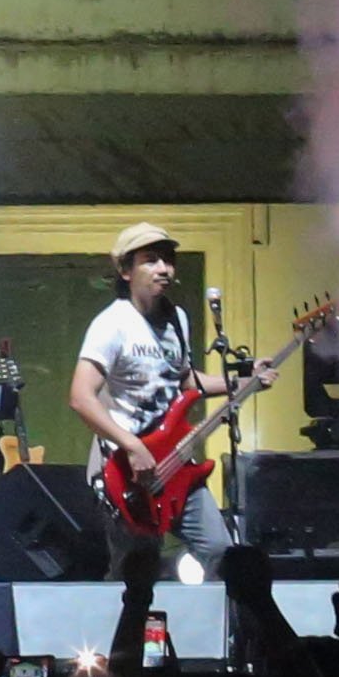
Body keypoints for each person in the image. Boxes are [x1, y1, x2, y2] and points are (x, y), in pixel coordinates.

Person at [70, 219, 233, 578]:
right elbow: (81, 397)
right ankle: (126, 633)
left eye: (168, 260)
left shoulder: (177, 319)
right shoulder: (111, 324)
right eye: (151, 260)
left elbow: (186, 380)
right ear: (126, 270)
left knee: (222, 552)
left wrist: (241, 380)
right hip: (126, 470)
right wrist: (131, 445)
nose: (164, 269)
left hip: (173, 462)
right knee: (135, 571)